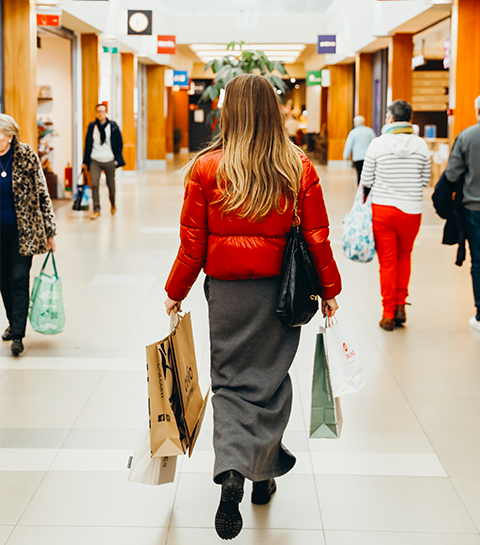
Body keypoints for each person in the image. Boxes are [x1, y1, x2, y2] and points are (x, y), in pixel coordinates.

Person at [164, 74, 342, 540]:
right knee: (269, 382)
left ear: (230, 112)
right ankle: (261, 478)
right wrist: (330, 289)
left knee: (229, 385)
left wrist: (175, 291)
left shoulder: (205, 168)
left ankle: (233, 478)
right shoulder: (296, 165)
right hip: (281, 296)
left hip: (225, 294)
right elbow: (317, 237)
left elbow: (191, 246)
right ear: (272, 110)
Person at [361, 100, 431, 331]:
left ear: (390, 118)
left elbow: (366, 181)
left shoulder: (377, 144)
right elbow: (425, 180)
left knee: (387, 263)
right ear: (409, 118)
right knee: (404, 257)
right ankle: (401, 306)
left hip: (383, 210)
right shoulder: (421, 145)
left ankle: (388, 313)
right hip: (412, 211)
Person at [0, 114, 57, 356]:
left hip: (24, 232)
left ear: (9, 136)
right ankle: (14, 322)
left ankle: (18, 336)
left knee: (19, 279)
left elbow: (42, 193)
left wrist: (50, 231)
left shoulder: (26, 156)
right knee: (4, 281)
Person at [445, 95, 480, 331]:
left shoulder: (467, 136)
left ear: (477, 110)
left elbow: (452, 174)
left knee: (478, 260)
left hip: (474, 207)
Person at [82, 103, 125, 220]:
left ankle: (113, 203)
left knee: (111, 185)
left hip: (109, 159)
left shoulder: (113, 126)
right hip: (95, 159)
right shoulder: (92, 127)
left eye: (102, 111)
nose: (100, 114)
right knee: (95, 184)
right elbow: (87, 145)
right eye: (98, 112)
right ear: (96, 113)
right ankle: (96, 209)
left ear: (106, 113)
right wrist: (85, 161)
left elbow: (119, 143)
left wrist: (117, 159)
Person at [343, 116, 376, 184]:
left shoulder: (353, 132)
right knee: (368, 174)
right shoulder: (369, 131)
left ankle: (360, 189)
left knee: (359, 174)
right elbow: (374, 143)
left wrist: (345, 156)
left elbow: (349, 144)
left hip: (357, 157)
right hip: (368, 157)